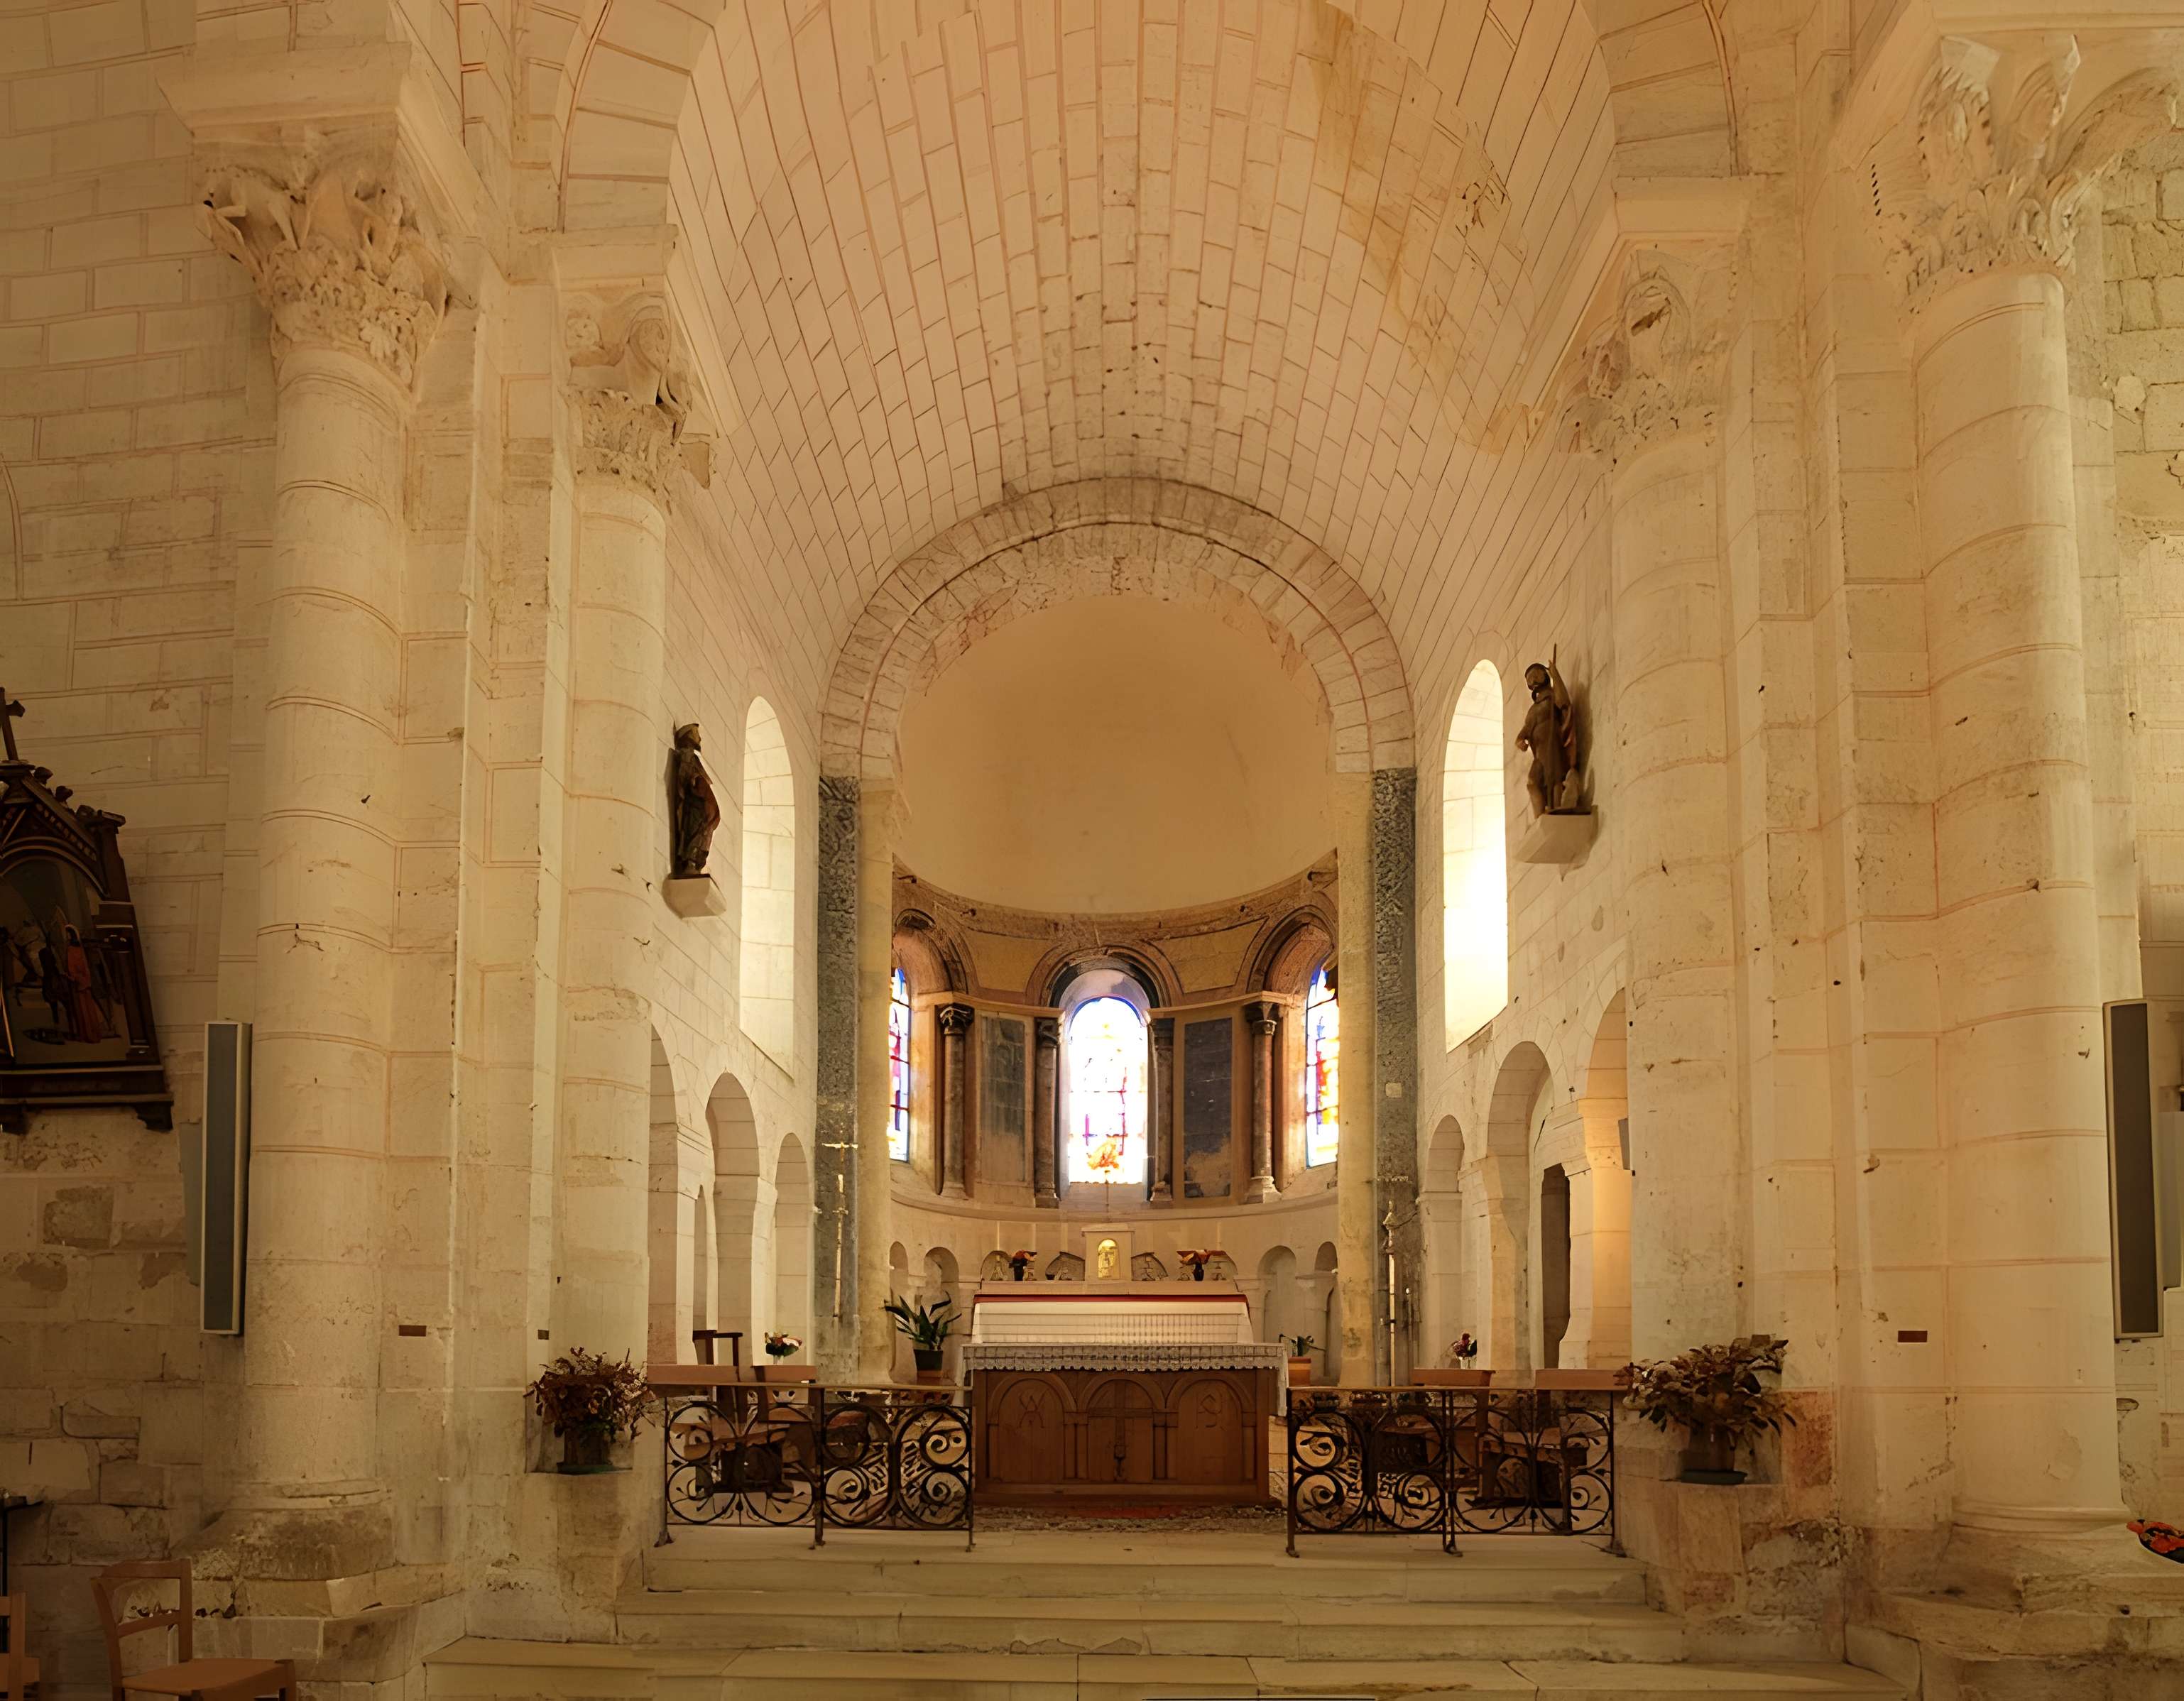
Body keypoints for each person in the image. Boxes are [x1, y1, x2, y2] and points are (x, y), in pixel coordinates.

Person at [59, 924, 106, 1044]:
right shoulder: (79, 948)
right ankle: (90, 1034)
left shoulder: (71, 949)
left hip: (76, 982)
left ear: (71, 935)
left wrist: (70, 976)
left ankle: (86, 1035)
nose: (67, 935)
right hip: (82, 981)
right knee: (87, 1009)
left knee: (82, 1010)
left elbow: (73, 968)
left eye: (68, 933)